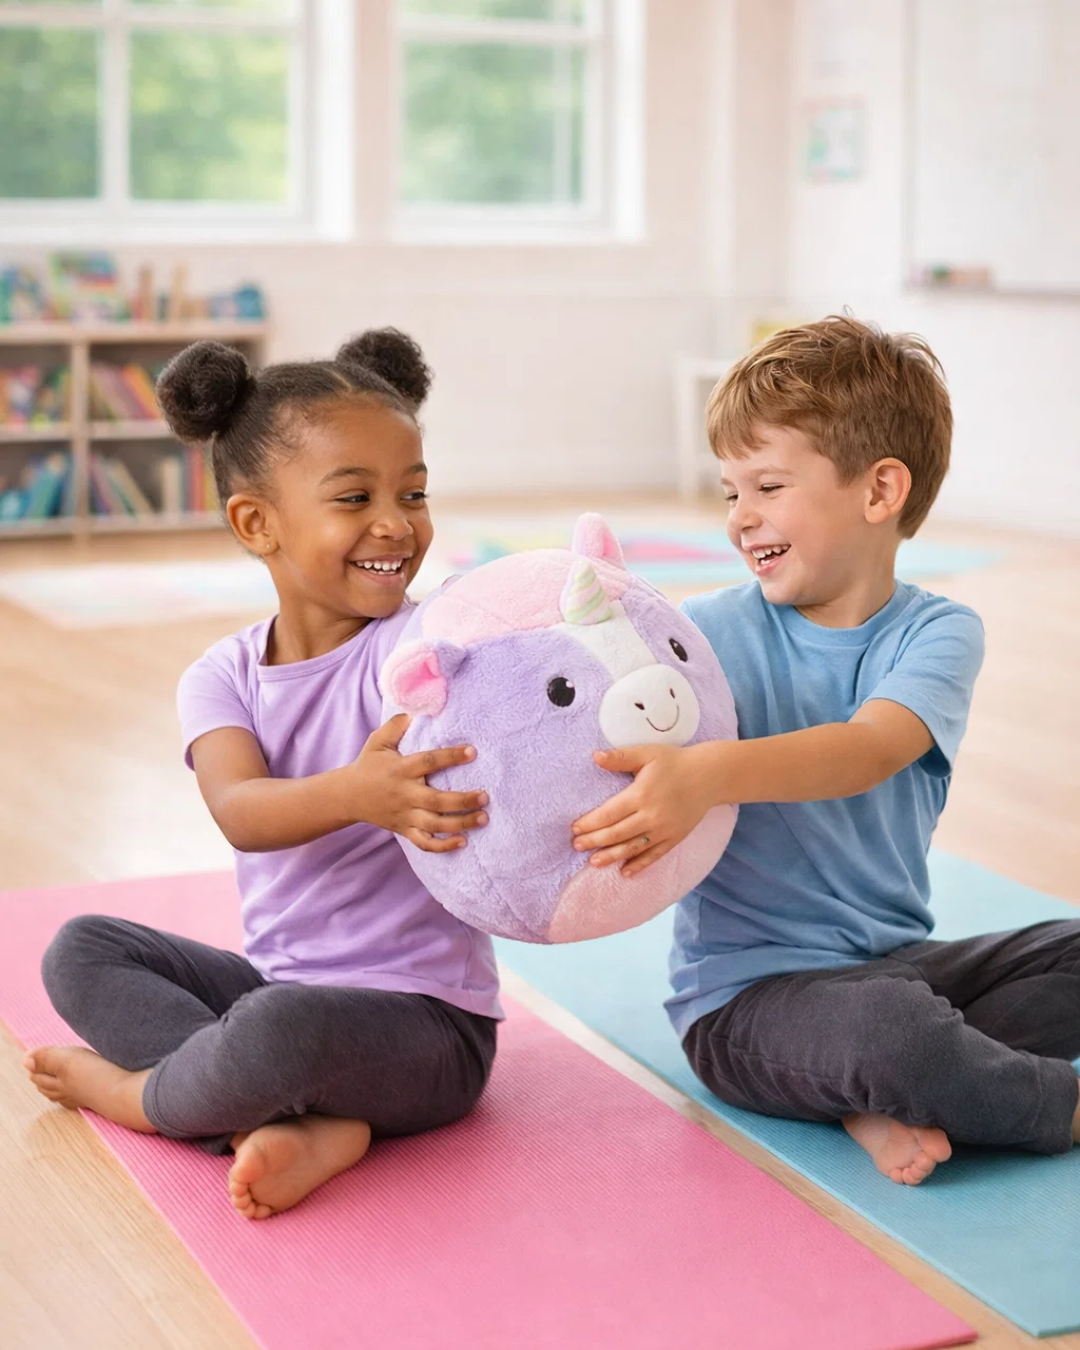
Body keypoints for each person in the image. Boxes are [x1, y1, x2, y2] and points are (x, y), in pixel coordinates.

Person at [572, 314, 1080, 1185]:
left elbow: (867, 748)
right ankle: (1035, 1103)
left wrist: (707, 774)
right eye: (731, 492)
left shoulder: (940, 633)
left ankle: (894, 1087)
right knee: (891, 1035)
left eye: (766, 487)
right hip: (744, 1009)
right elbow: (597, 716)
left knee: (974, 990)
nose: (740, 519)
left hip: (896, 972)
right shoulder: (702, 635)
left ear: (879, 492)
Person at [24, 329, 502, 1218]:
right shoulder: (222, 676)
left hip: (428, 1031)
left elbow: (506, 649)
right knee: (80, 948)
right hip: (280, 989)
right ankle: (276, 1113)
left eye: (415, 492)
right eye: (355, 497)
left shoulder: (420, 647)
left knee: (280, 1032)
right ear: (257, 522)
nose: (397, 523)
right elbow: (240, 810)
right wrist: (357, 795)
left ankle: (150, 1099)